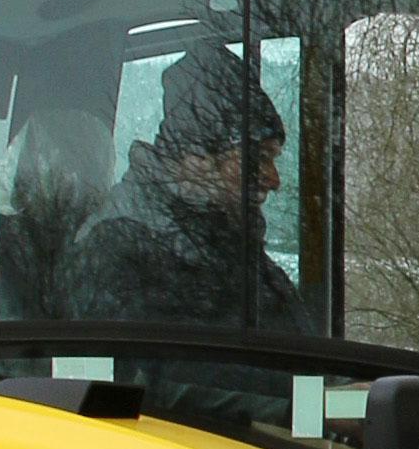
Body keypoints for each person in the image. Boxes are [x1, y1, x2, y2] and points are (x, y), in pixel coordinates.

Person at [69, 37, 309, 335]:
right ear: (196, 157)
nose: (275, 181)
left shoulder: (243, 260)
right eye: (257, 157)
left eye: (273, 160)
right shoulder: (115, 252)